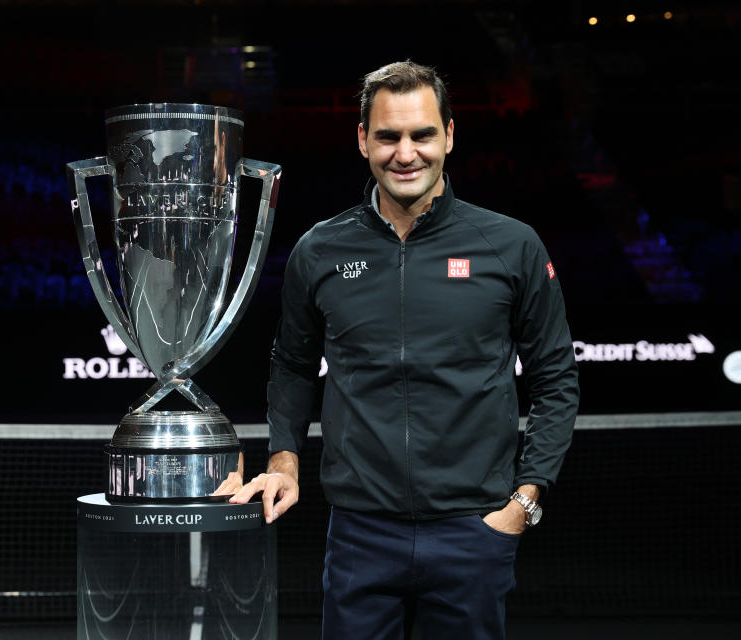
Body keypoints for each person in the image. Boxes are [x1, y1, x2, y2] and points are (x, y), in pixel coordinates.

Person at [230, 60, 579, 639]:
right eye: (388, 136)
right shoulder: (319, 250)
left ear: (449, 134)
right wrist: (284, 458)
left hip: (476, 529)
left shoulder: (511, 245)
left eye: (422, 134)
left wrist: (525, 501)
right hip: (360, 534)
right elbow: (292, 364)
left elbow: (555, 376)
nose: (406, 153)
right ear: (363, 139)